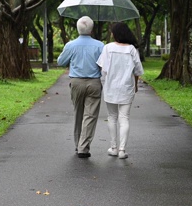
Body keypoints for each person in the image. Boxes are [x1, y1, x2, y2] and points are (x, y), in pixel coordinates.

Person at [57, 16, 104, 158]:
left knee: (78, 112)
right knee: (90, 115)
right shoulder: (100, 45)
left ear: (78, 28)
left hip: (76, 82)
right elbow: (104, 65)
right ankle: (84, 147)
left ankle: (78, 144)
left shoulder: (70, 45)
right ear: (91, 29)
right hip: (94, 82)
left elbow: (60, 62)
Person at [96, 22, 144, 159]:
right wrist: (135, 85)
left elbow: (103, 68)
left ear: (116, 34)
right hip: (126, 88)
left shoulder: (107, 48)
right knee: (124, 118)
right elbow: (137, 71)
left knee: (112, 117)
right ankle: (122, 150)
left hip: (110, 87)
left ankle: (113, 147)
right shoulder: (132, 50)